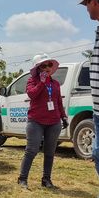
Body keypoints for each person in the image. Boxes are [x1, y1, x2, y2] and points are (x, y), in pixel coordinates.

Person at [17, 54, 67, 189]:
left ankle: (46, 179)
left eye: (49, 65)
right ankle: (22, 179)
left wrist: (63, 117)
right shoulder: (32, 81)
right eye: (43, 66)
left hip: (54, 122)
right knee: (31, 150)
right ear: (38, 68)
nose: (47, 68)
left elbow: (58, 101)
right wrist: (42, 83)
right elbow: (32, 94)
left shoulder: (55, 83)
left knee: (50, 152)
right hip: (36, 121)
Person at [77, 0, 99, 198]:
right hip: (98, 111)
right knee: (97, 153)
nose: (86, 9)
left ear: (94, 1)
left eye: (86, 4)